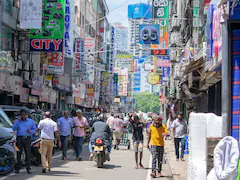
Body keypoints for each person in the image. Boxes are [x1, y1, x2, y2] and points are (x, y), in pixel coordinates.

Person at [12, 109, 37, 174]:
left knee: (28, 153)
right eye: (22, 114)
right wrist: (18, 121)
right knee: (18, 153)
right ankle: (17, 168)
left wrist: (30, 131)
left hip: (27, 138)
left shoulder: (31, 121)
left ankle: (28, 168)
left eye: (24, 114)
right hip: (19, 138)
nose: (23, 116)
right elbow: (14, 128)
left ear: (27, 114)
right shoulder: (17, 121)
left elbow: (34, 129)